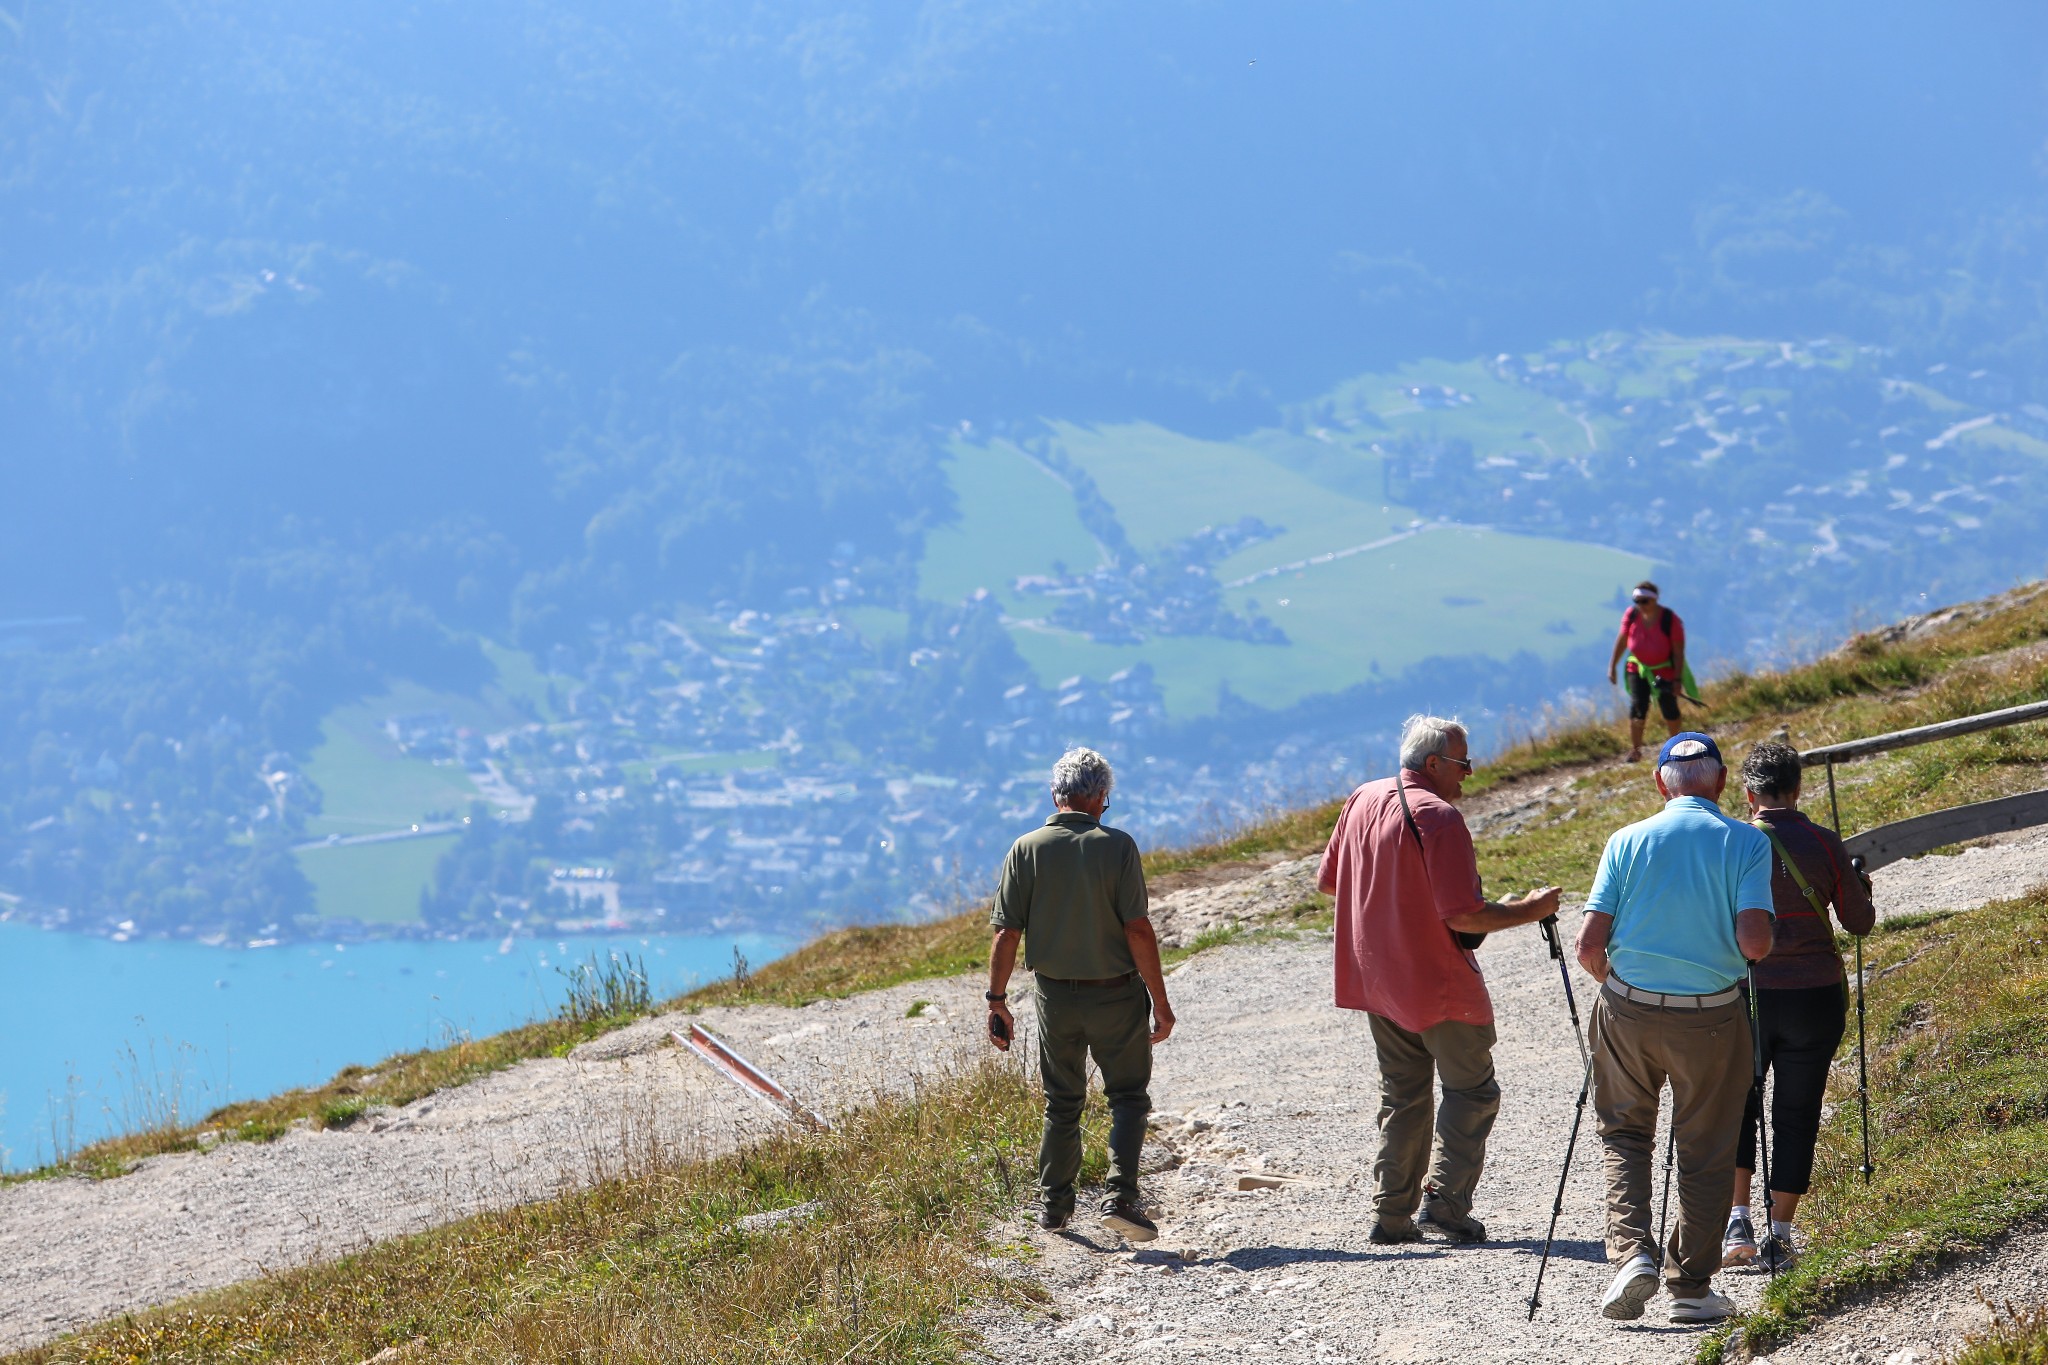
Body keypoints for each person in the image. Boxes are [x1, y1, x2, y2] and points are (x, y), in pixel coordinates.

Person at [1318, 714, 1560, 1245]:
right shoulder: (1439, 816)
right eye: (1463, 762)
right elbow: (1464, 917)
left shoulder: (1361, 798)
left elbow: (1329, 883)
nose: (1469, 773)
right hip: (1437, 980)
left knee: (1403, 1095)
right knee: (1472, 1091)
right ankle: (1446, 1203)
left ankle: (1392, 1214)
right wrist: (1531, 909)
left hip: (1376, 978)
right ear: (1434, 763)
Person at [1576, 732, 1775, 1325]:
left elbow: (1589, 945)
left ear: (1661, 782)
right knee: (1707, 1148)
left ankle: (1630, 1255)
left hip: (1627, 1008)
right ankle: (1689, 1286)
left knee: (1624, 1134)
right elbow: (1755, 943)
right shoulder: (1746, 841)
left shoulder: (1625, 840)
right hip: (1711, 1016)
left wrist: (1621, 984)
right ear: (1719, 784)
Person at [986, 746, 1175, 1242]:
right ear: (1099, 798)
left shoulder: (1025, 848)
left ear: (1056, 794)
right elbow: (1138, 929)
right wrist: (1160, 1000)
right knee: (1129, 1098)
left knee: (1062, 1101)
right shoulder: (1117, 847)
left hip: (1056, 999)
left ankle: (1054, 1206)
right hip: (1116, 996)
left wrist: (996, 1000)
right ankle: (1120, 1196)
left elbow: (1006, 934)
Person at [1722, 740, 1875, 1272]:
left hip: (1747, 994)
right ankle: (1780, 1234)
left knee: (1738, 1104)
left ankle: (1736, 1220)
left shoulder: (1733, 843)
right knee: (1797, 1111)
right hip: (1814, 996)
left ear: (1748, 795)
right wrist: (1860, 886)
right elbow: (1858, 923)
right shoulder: (1823, 842)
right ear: (1797, 788)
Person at [1606, 581, 1690, 763]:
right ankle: (1635, 750)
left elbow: (1678, 651)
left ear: (1654, 600)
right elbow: (1622, 640)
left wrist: (1677, 679)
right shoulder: (1631, 615)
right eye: (1637, 601)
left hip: (1665, 669)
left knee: (1669, 706)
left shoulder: (1670, 620)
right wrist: (1612, 665)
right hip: (1638, 668)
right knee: (1638, 706)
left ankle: (1676, 747)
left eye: (1645, 601)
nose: (1641, 605)